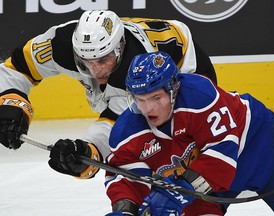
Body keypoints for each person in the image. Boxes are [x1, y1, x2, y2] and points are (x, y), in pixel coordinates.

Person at [0, 10, 217, 180]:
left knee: (167, 135)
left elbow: (119, 123)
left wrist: (87, 151)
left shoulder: (137, 67)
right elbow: (15, 68)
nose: (96, 71)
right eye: (87, 62)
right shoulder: (59, 44)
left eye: (103, 60)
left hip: (187, 62)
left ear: (119, 48)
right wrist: (11, 102)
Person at [104, 51, 274, 215]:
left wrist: (176, 193)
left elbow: (223, 151)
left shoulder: (199, 95)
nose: (148, 108)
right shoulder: (126, 132)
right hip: (201, 178)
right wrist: (125, 208)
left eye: (156, 98)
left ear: (173, 89)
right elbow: (128, 177)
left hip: (259, 143)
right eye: (140, 100)